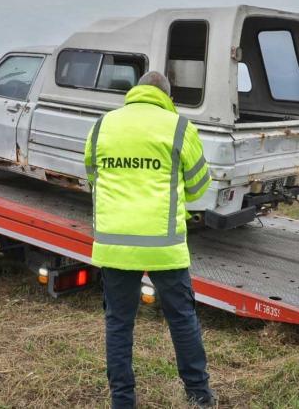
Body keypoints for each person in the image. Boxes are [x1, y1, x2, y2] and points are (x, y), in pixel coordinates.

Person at [84, 71, 214, 408]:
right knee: (181, 319)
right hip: (164, 245)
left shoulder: (103, 125)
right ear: (168, 97)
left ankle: (123, 401)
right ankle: (199, 395)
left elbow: (91, 174)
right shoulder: (179, 127)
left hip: (115, 246)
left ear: (135, 91)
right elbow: (200, 186)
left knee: (119, 324)